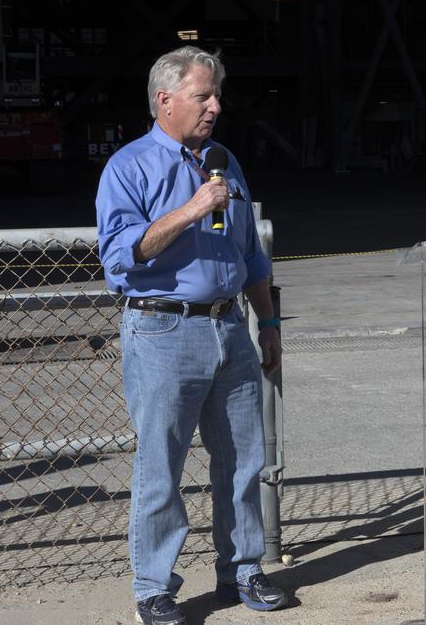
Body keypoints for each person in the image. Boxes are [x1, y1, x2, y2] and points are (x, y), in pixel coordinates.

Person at [96, 47, 287, 624]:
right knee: (162, 465)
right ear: (165, 100)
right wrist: (192, 207)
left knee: (243, 459)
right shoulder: (128, 167)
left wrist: (269, 322)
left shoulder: (225, 160)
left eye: (215, 95)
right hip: (162, 329)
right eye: (203, 96)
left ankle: (243, 571)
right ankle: (154, 588)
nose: (215, 106)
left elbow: (250, 252)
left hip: (231, 326)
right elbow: (119, 256)